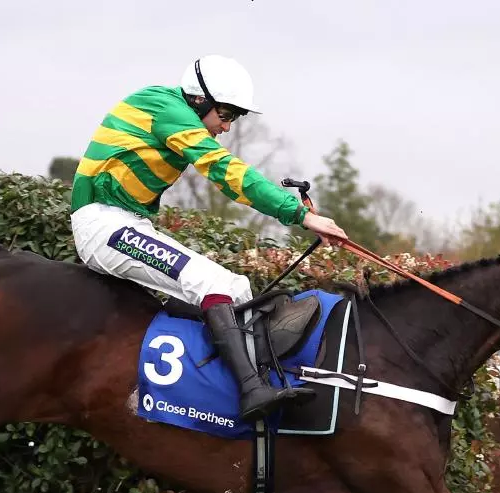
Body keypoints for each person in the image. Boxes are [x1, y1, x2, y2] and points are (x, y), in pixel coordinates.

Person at [69, 54, 349, 422]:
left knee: (236, 288)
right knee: (213, 282)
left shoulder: (173, 110)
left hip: (128, 223)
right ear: (199, 100)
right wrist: (301, 215)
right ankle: (251, 393)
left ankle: (221, 392)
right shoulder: (165, 107)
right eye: (227, 115)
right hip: (103, 226)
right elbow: (224, 170)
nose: (227, 127)